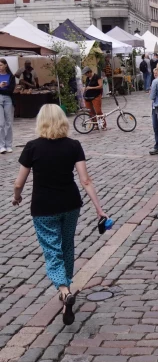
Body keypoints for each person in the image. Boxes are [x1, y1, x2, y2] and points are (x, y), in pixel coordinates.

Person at [12, 104, 107, 325]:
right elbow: (85, 180)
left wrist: (16, 197)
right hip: (70, 204)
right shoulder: (73, 145)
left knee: (52, 251)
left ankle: (64, 291)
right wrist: (99, 209)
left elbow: (19, 183)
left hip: (43, 208)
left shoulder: (32, 147)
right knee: (67, 246)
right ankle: (67, 290)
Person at [0, 58, 16, 154]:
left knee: (9, 123)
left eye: (1, 65)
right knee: (1, 124)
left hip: (8, 99)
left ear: (5, 65)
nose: (0, 67)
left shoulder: (11, 76)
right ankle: (1, 145)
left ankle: (9, 145)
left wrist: (2, 88)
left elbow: (10, 89)